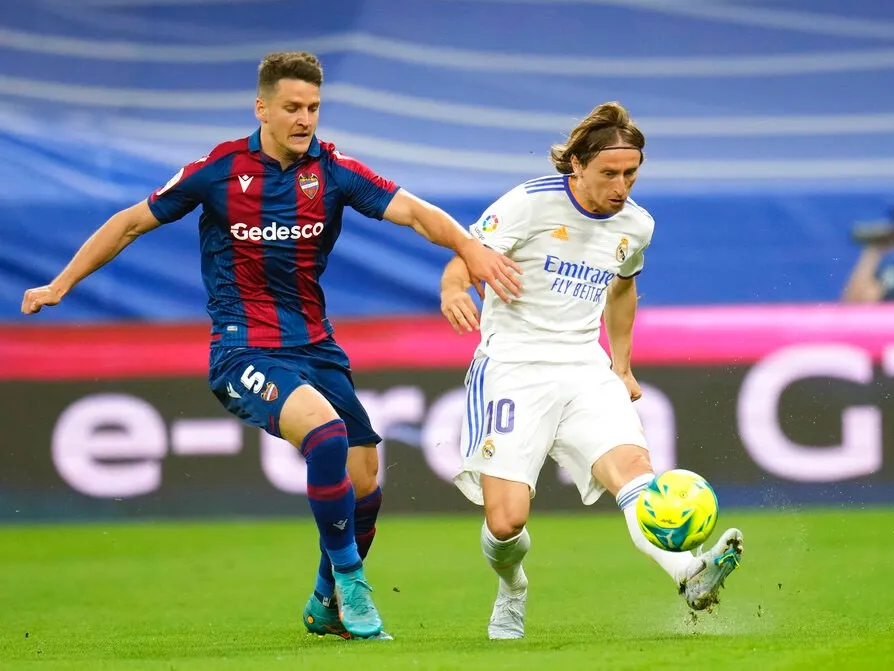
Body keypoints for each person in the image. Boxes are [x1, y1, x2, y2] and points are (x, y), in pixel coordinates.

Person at [21, 51, 521, 640]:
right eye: (292, 107)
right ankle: (353, 582)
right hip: (243, 350)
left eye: (312, 107)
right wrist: (61, 284)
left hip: (316, 347)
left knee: (365, 480)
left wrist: (471, 249)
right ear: (262, 108)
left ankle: (324, 603)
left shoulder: (332, 171)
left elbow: (414, 212)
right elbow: (130, 223)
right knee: (326, 434)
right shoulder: (218, 171)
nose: (304, 118)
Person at [438, 102, 744, 640]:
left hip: (584, 369)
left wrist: (621, 366)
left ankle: (690, 573)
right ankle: (512, 589)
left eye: (630, 173)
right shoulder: (531, 204)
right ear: (576, 165)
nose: (621, 186)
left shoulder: (637, 225)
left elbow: (622, 287)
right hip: (512, 368)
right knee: (506, 522)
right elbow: (468, 251)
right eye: (609, 173)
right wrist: (454, 286)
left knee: (635, 474)